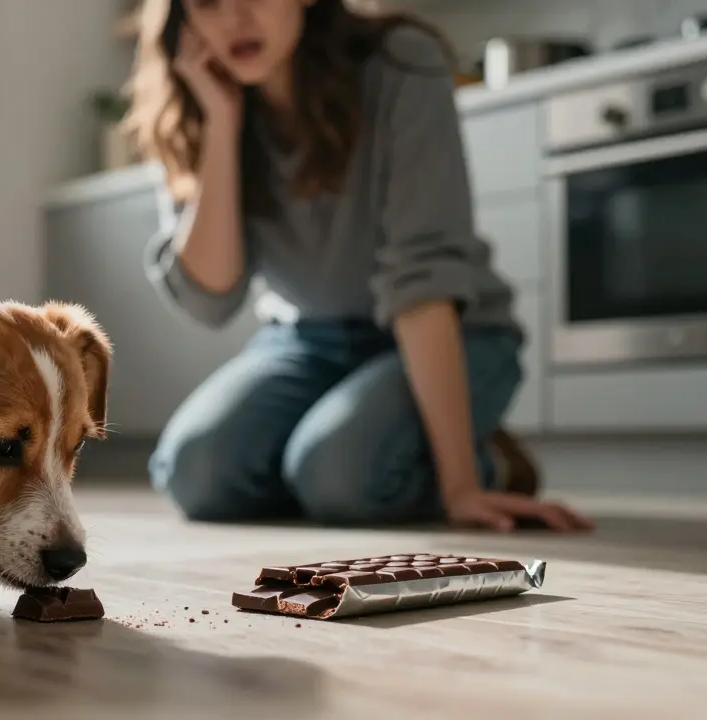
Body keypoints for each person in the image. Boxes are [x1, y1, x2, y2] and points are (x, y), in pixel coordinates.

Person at [126, 0, 593, 533]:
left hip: (452, 331)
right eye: (208, 1)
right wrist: (222, 123)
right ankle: (352, 452)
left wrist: (461, 486)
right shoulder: (196, 110)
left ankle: (485, 461)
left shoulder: (400, 65)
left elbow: (421, 280)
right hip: (307, 341)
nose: (235, 18)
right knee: (196, 473)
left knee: (338, 477)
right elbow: (212, 297)